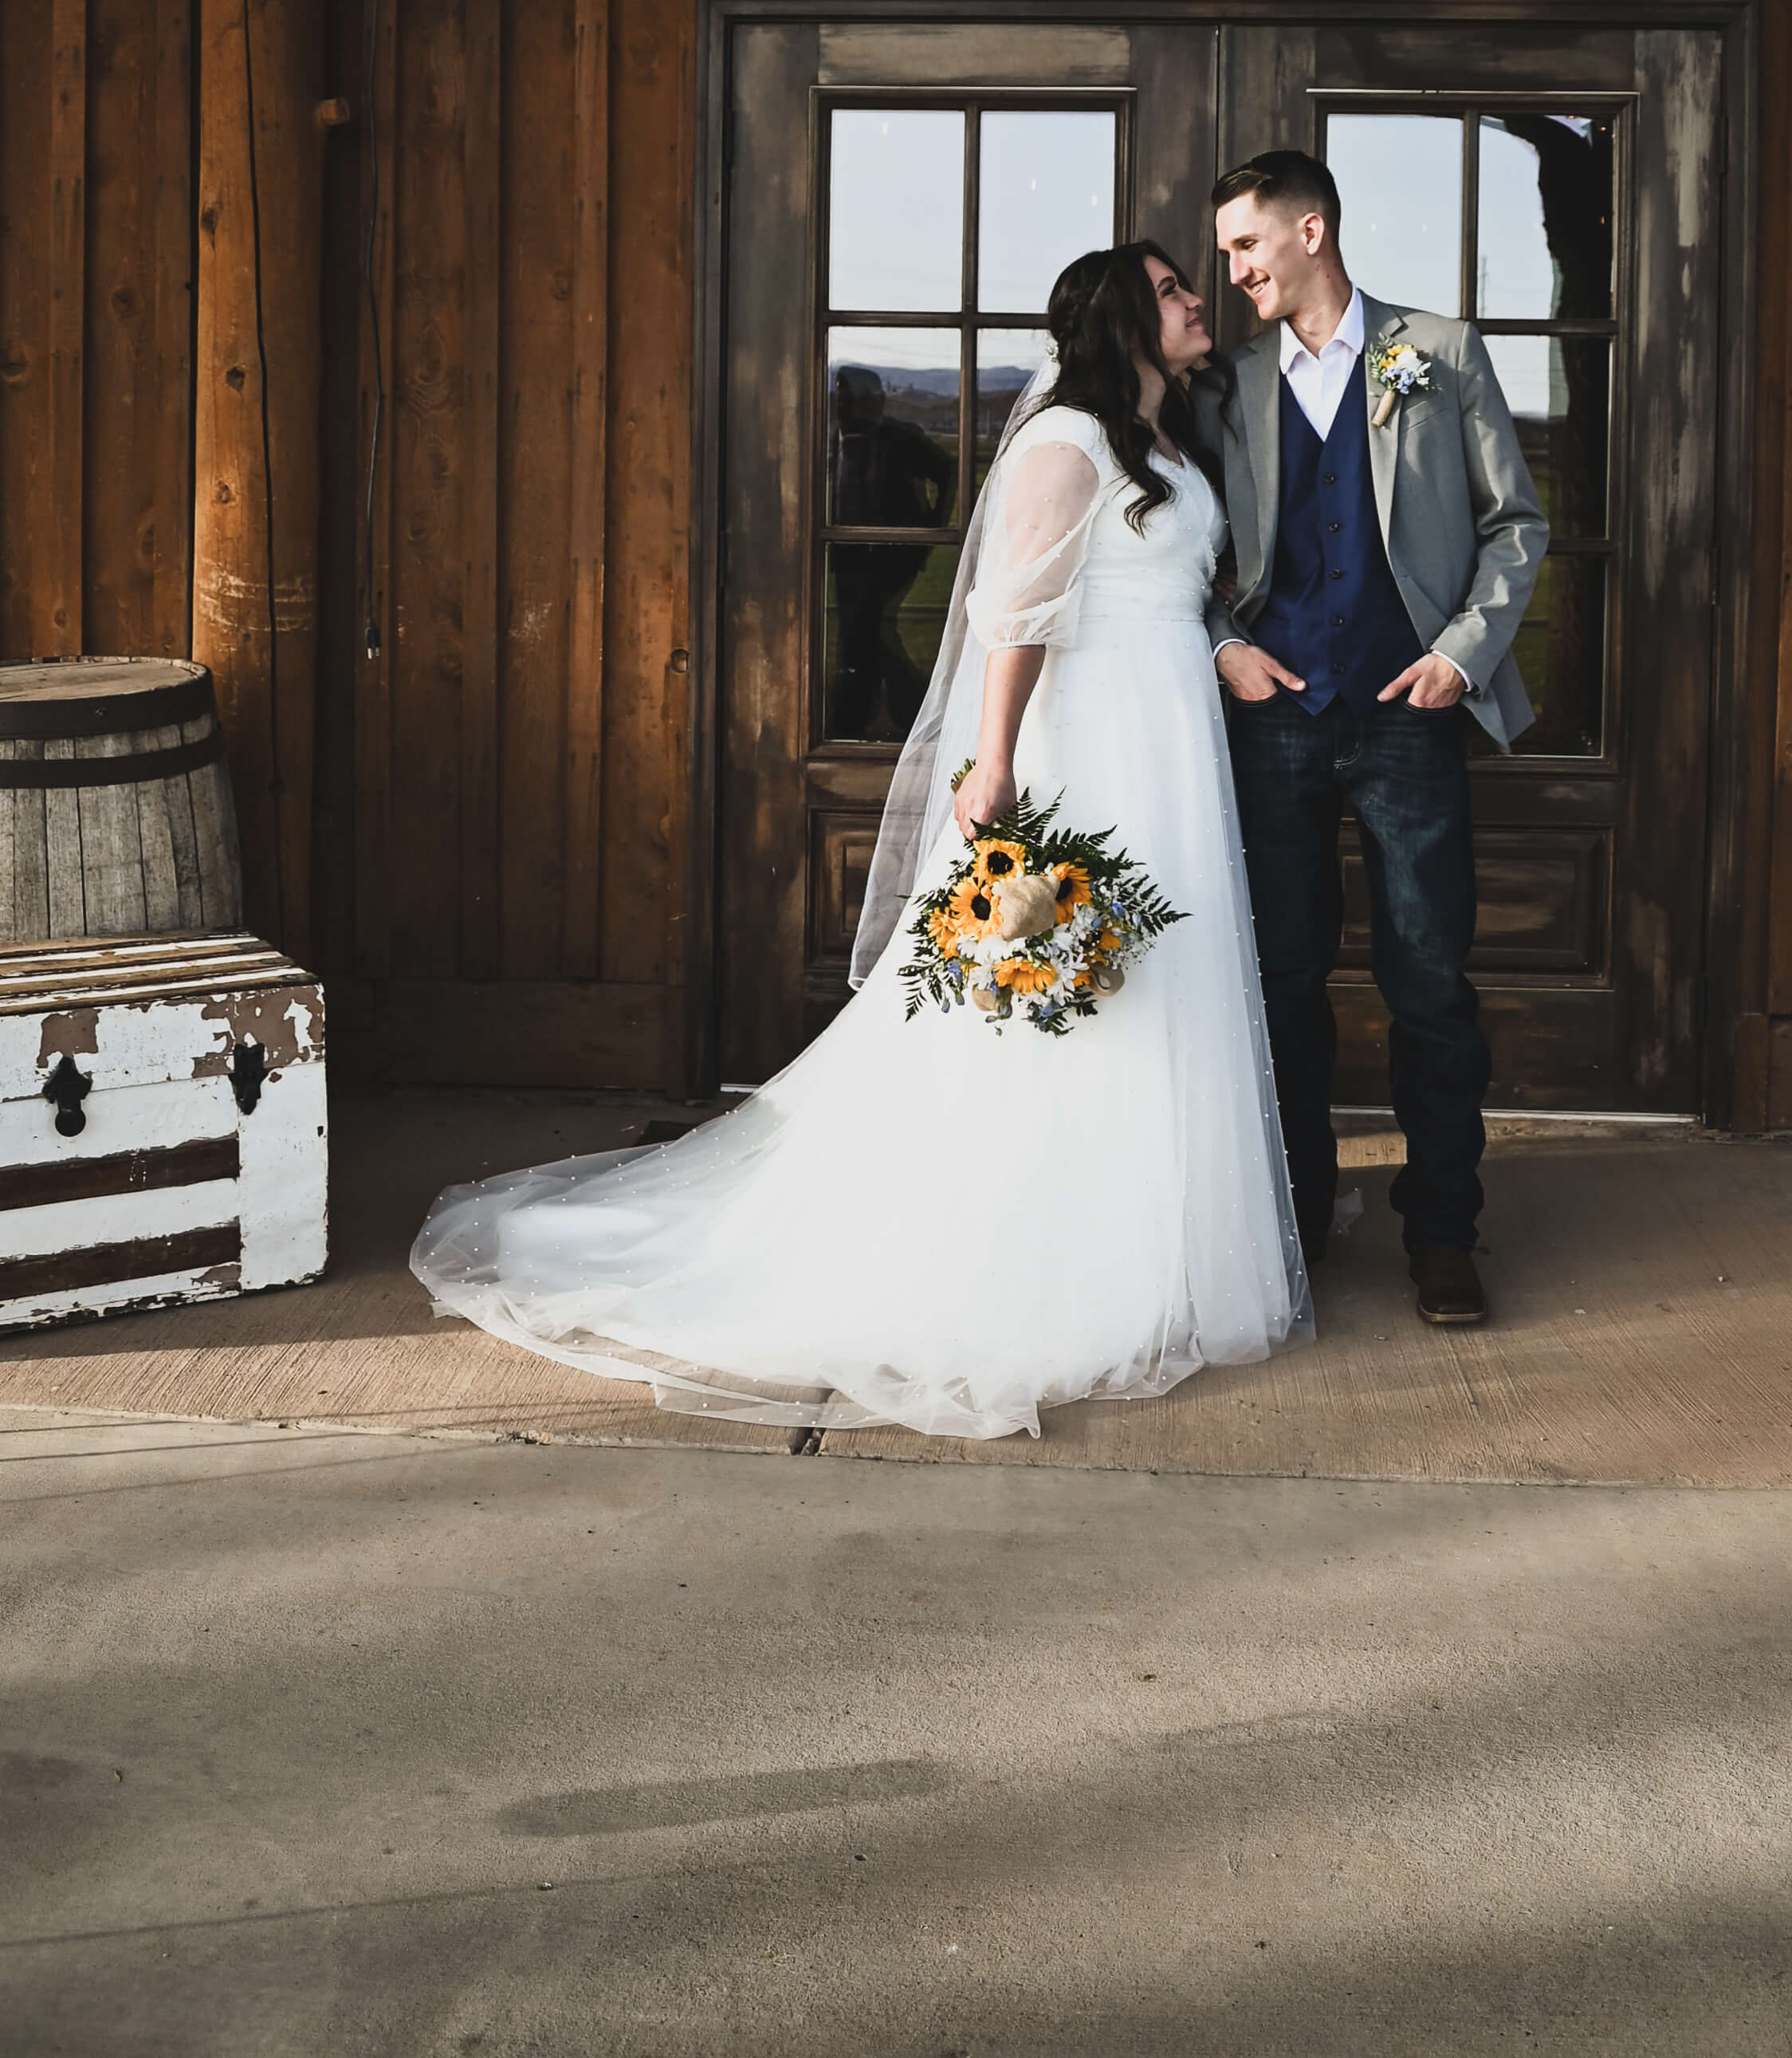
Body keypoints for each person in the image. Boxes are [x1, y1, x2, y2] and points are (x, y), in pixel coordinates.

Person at [411, 242, 1308, 1442]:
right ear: (1119, 321)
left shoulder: (1169, 445)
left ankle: (1162, 1249)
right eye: (1170, 292)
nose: (1196, 300)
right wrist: (992, 762)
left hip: (1171, 743)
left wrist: (1213, 647)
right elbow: (1014, 615)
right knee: (1068, 996)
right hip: (1084, 748)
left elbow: (1163, 588)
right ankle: (1038, 1258)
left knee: (1166, 987)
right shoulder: (1065, 442)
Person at [1201, 150, 1548, 1326]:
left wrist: (1459, 654)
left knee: (1428, 983)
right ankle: (1293, 1220)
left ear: (1308, 230)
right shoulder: (1228, 385)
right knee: (1281, 981)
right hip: (1274, 724)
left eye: (1245, 245)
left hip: (1407, 715)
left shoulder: (1437, 354)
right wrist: (1218, 646)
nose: (1232, 269)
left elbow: (1516, 521)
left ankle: (1442, 1232)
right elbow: (1176, 547)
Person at [827, 364, 957, 738]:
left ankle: (897, 716)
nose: (840, 403)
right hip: (848, 555)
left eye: (847, 395)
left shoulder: (898, 439)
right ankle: (877, 715)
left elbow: (947, 470)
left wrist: (932, 525)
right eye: (839, 395)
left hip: (889, 557)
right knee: (861, 636)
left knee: (869, 632)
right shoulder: (837, 439)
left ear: (870, 400)